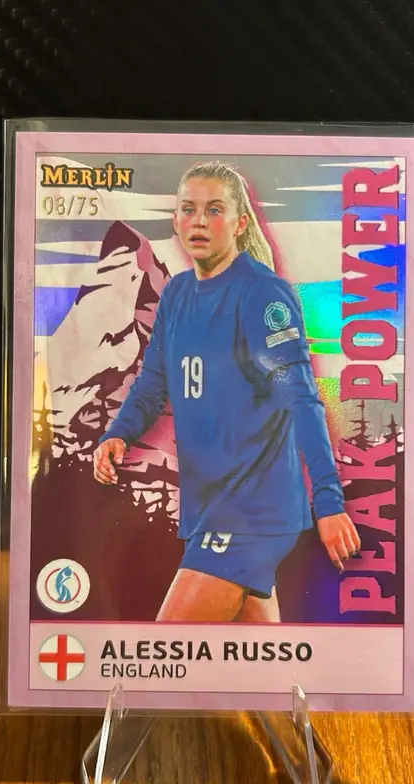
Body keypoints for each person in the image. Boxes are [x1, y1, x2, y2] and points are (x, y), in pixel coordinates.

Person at [93, 161, 360, 622]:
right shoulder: (177, 295)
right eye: (189, 209)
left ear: (239, 223)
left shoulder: (262, 296)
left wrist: (329, 504)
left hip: (252, 510)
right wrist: (120, 433)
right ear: (176, 220)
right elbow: (154, 381)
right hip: (212, 509)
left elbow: (301, 400)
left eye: (214, 210)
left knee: (168, 650)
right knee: (257, 657)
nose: (199, 220)